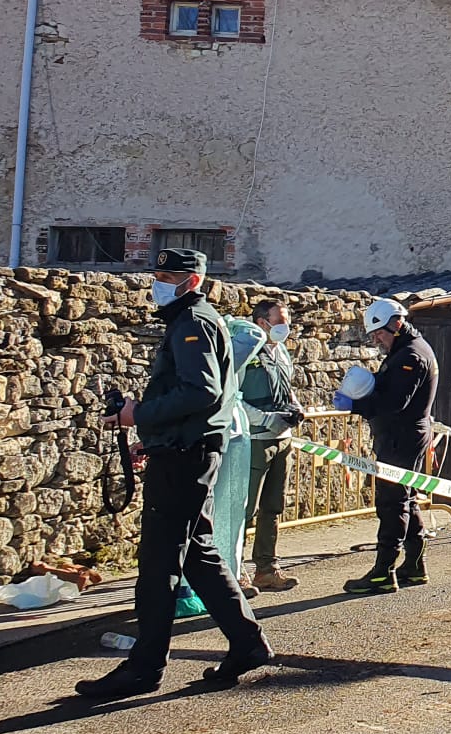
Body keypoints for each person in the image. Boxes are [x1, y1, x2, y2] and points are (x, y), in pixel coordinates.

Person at [76, 249, 274, 700]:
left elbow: (201, 391)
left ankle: (145, 667)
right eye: (158, 274)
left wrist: (138, 414)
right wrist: (153, 432)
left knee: (159, 562)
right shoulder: (192, 321)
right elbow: (195, 397)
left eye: (168, 275)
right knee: (197, 555)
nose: (158, 282)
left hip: (186, 456)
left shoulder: (193, 323)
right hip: (185, 449)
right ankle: (247, 643)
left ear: (192, 280)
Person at [340, 297, 440, 595]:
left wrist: (357, 403)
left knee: (391, 503)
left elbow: (394, 402)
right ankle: (414, 565)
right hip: (404, 435)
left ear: (396, 324)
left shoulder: (410, 355)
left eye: (380, 333)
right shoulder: (406, 349)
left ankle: (383, 572)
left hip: (401, 437)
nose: (377, 340)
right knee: (406, 500)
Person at [240, 297, 304, 594]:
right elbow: (233, 398)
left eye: (286, 322)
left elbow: (287, 387)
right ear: (260, 322)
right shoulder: (245, 352)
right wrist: (265, 419)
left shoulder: (281, 353)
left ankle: (266, 569)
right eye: (279, 322)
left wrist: (295, 407)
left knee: (273, 508)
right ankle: (233, 571)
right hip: (254, 440)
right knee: (244, 509)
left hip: (282, 440)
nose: (284, 328)